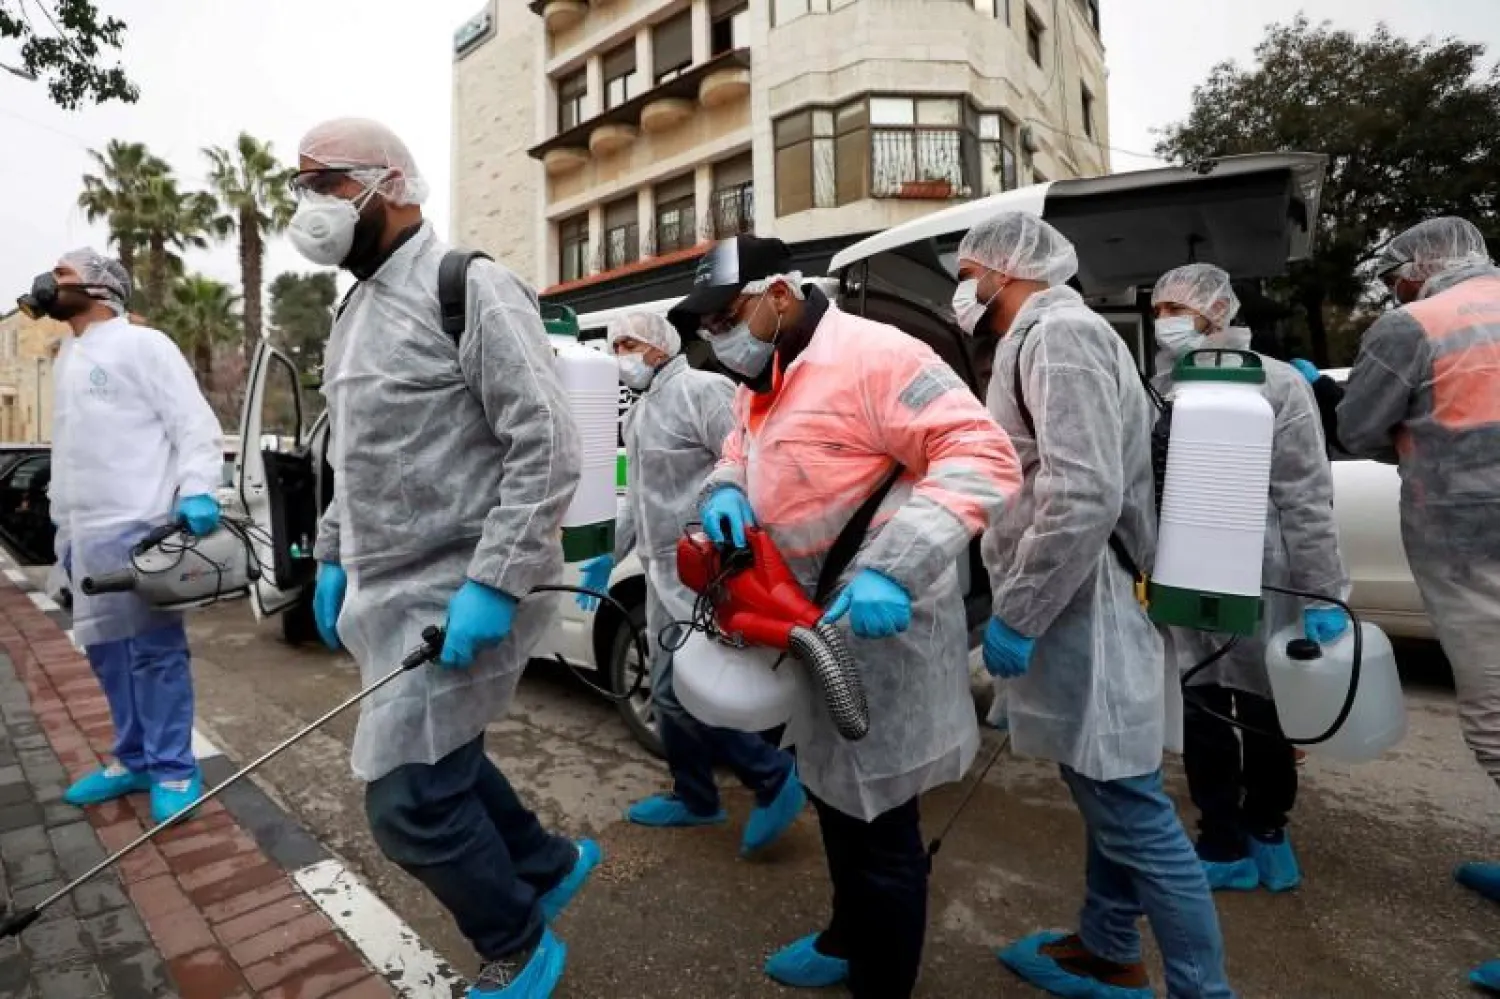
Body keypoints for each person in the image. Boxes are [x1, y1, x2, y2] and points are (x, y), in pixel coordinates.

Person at [292, 117, 598, 999]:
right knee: (445, 757)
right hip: (385, 593)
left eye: (327, 183)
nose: (311, 206)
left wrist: (493, 583)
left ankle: (518, 941)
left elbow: (547, 443)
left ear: (390, 183)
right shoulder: (353, 311)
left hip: (463, 587)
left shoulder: (470, 285)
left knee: (409, 802)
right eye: (302, 187)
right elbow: (356, 453)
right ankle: (542, 862)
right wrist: (336, 555)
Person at [670, 234, 1020, 999]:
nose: (715, 335)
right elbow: (740, 446)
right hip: (802, 629)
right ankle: (845, 933)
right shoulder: (764, 376)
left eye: (727, 314)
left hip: (878, 636)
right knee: (832, 793)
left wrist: (895, 568)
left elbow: (984, 455)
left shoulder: (876, 356)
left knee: (883, 831)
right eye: (706, 324)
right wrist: (726, 488)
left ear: (781, 294)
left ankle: (880, 978)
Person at [958, 213, 1236, 999]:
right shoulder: (1044, 338)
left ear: (1007, 271)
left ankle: (1202, 989)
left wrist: (1020, 611)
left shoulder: (1060, 338)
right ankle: (1109, 945)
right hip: (1080, 598)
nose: (962, 286)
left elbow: (1081, 492)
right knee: (1108, 785)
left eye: (968, 269)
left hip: (1086, 604)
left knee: (1129, 807)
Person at [1327, 217, 1500, 991]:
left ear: (1423, 265)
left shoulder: (1414, 324)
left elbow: (1359, 428)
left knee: (1498, 722)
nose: (1393, 284)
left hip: (1476, 549)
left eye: (1395, 271)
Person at [1151, 263, 1348, 894]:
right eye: (1158, 312)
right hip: (1186, 565)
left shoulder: (1279, 384)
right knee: (1203, 699)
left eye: (1176, 310)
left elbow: (1306, 494)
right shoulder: (1164, 385)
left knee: (1267, 708)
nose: (1166, 324)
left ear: (1217, 310)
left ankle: (1268, 827)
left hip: (1266, 569)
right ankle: (1221, 836)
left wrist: (1324, 590)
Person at [575, 311, 804, 851]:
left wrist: (734, 540)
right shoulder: (640, 411)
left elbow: (746, 463)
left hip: (707, 570)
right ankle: (696, 797)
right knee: (665, 687)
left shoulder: (702, 390)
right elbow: (639, 497)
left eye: (627, 344)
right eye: (614, 347)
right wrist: (612, 553)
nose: (620, 357)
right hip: (661, 574)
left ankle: (771, 775)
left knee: (689, 690)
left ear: (658, 345)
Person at [36, 248, 222, 825]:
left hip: (140, 527)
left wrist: (198, 488)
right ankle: (135, 757)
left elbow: (191, 422)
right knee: (106, 653)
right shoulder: (69, 355)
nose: (50, 282)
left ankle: (173, 767)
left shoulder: (144, 345)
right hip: (82, 532)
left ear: (100, 286)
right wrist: (62, 523)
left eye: (63, 274)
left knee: (154, 654)